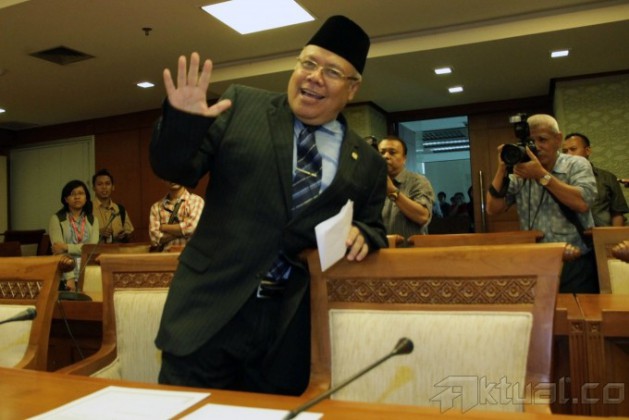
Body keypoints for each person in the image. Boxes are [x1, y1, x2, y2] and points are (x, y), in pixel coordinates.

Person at [150, 15, 387, 396]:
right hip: (207, 315)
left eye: (331, 71)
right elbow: (177, 169)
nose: (314, 77)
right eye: (308, 63)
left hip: (288, 336)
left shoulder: (369, 163)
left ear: (353, 88)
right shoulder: (242, 105)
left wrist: (364, 232)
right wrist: (182, 125)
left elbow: (373, 224)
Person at [485, 114, 598, 293]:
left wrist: (541, 176)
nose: (536, 147)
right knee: (541, 311)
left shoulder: (576, 165)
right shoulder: (521, 172)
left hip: (575, 262)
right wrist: (502, 168)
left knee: (575, 309)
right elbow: (493, 208)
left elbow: (583, 203)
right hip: (535, 262)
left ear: (558, 139)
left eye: (542, 140)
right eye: (531, 141)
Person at [562, 132, 628, 226]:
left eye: (573, 149)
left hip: (603, 232)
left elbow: (617, 213)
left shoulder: (607, 177)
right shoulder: (559, 179)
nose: (568, 154)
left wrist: (614, 234)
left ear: (588, 151)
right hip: (571, 233)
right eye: (564, 151)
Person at [378, 135, 435, 242]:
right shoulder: (372, 183)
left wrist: (392, 191)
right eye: (382, 153)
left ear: (404, 158)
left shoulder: (418, 181)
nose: (386, 156)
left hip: (410, 250)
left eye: (392, 152)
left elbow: (422, 217)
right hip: (379, 250)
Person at [48, 179, 100, 291]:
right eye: (72, 194)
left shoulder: (93, 220)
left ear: (86, 197)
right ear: (66, 199)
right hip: (64, 274)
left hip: (88, 273)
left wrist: (67, 247)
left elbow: (92, 249)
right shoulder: (57, 219)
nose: (77, 197)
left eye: (81, 193)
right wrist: (70, 278)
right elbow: (58, 250)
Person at [148, 181, 204, 252]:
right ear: (163, 179)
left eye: (176, 175)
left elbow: (191, 228)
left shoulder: (196, 201)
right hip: (165, 256)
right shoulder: (156, 207)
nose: (173, 179)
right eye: (169, 176)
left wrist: (164, 227)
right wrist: (182, 231)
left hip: (190, 256)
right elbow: (154, 238)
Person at [92, 169, 135, 242]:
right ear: (94, 188)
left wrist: (124, 236)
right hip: (95, 249)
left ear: (113, 187)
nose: (104, 187)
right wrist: (97, 233)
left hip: (117, 248)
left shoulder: (120, 209)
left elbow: (130, 233)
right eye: (99, 184)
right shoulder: (87, 208)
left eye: (107, 184)